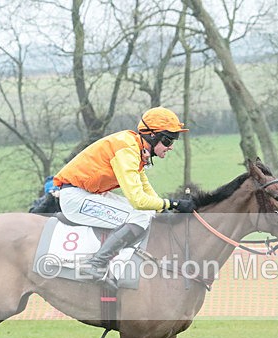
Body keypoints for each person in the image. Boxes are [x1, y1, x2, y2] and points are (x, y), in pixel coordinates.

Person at [53, 106, 195, 282]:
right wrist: (172, 204)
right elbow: (138, 200)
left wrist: (161, 210)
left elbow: (145, 188)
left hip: (88, 194)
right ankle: (96, 264)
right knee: (140, 217)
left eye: (174, 141)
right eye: (168, 141)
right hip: (76, 199)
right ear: (152, 135)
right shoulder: (127, 149)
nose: (171, 147)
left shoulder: (135, 147)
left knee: (148, 214)